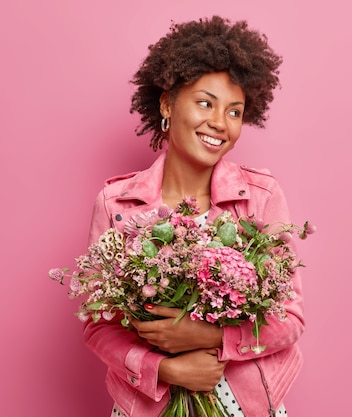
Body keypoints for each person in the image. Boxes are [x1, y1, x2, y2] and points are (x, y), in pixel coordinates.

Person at [83, 16, 304, 417]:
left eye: (234, 112)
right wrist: (165, 368)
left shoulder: (261, 197)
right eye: (206, 103)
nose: (220, 123)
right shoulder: (116, 204)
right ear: (168, 103)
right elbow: (100, 326)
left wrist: (214, 337)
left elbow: (289, 319)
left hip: (246, 406)